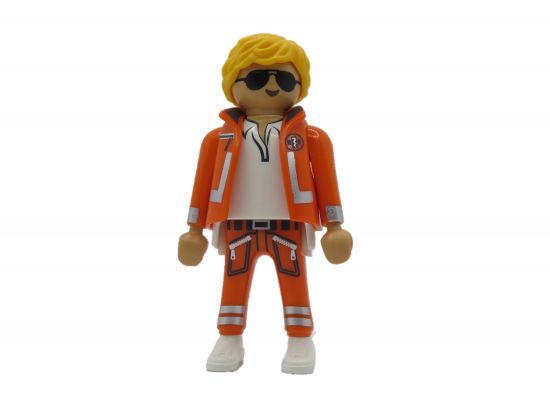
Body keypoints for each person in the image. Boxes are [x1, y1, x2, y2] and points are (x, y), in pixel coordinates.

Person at [178, 33, 353, 374]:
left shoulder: (310, 137)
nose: (272, 87)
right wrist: (194, 229)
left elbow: (327, 181)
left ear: (300, 85)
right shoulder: (218, 139)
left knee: (293, 281)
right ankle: (229, 336)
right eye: (258, 78)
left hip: (288, 225)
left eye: (284, 79)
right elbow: (201, 185)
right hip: (237, 226)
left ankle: (300, 338)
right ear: (233, 84)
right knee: (233, 282)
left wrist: (335, 225)